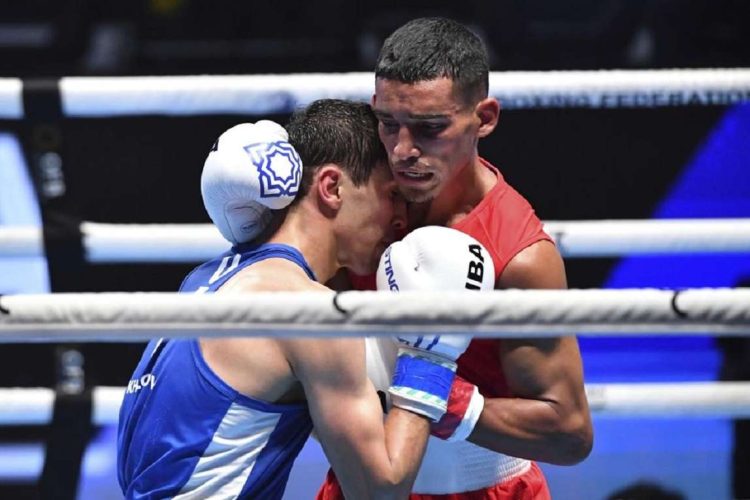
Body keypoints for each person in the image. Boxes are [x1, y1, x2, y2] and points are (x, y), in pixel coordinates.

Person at [116, 99, 496, 499]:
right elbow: (379, 493)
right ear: (332, 188)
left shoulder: (204, 279)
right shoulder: (308, 312)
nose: (402, 217)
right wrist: (430, 355)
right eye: (391, 194)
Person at [317, 17, 594, 499]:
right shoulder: (358, 197)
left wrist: (434, 388)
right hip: (361, 484)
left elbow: (568, 432)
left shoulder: (518, 255)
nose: (403, 150)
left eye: (430, 129)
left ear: (484, 118)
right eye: (388, 124)